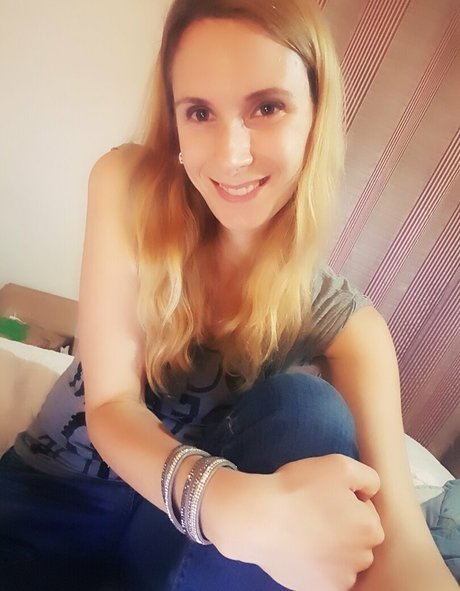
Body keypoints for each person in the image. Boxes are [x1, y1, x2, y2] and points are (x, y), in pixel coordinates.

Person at [0, 1, 457, 590]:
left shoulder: (349, 327)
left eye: (267, 107)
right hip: (51, 500)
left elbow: (402, 539)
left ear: (315, 118)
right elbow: (111, 404)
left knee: (310, 411)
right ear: (176, 125)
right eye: (200, 112)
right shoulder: (127, 187)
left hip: (176, 542)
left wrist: (261, 519)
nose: (231, 154)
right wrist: (224, 503)